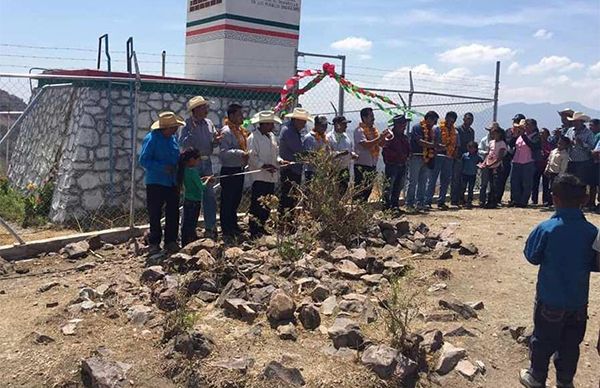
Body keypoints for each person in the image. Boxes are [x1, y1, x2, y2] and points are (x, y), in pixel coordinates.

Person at [519, 174, 599, 388]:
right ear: (584, 199)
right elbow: (597, 264)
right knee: (571, 345)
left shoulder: (547, 228)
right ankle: (565, 381)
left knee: (542, 341)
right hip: (578, 303)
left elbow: (531, 256)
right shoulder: (592, 232)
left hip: (550, 300)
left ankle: (536, 377)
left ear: (554, 198)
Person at [139, 111, 185, 254]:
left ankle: (171, 240)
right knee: (155, 212)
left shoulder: (172, 139)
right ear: (167, 128)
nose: (176, 129)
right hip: (156, 181)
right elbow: (144, 160)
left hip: (171, 182)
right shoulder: (152, 139)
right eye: (174, 127)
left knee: (172, 211)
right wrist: (162, 167)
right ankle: (154, 241)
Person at [179, 96, 222, 239]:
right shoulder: (187, 125)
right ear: (195, 110)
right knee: (192, 196)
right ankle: (187, 229)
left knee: (209, 195)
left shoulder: (209, 123)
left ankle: (210, 227)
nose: (206, 109)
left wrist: (216, 141)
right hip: (193, 165)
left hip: (206, 161)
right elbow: (183, 144)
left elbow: (213, 143)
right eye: (203, 107)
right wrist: (191, 132)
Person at [247, 111, 285, 238]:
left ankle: (262, 226)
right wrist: (264, 165)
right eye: (270, 124)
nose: (272, 126)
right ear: (263, 124)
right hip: (259, 176)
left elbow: (276, 153)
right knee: (257, 202)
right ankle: (254, 229)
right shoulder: (253, 138)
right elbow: (252, 156)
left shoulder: (272, 137)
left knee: (267, 203)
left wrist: (279, 161)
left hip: (271, 175)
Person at [219, 103, 249, 238]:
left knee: (236, 199)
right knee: (228, 200)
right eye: (239, 114)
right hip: (230, 170)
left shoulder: (240, 130)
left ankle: (234, 226)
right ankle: (227, 228)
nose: (242, 117)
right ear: (231, 116)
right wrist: (241, 153)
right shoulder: (226, 132)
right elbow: (224, 153)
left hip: (239, 168)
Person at [279, 107, 313, 214]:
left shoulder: (294, 131)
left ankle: (288, 220)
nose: (304, 124)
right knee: (288, 197)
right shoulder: (289, 131)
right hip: (290, 169)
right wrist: (312, 155)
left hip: (294, 169)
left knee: (292, 197)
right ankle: (285, 220)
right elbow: (299, 150)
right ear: (297, 120)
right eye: (303, 121)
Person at [178, 148, 213, 247]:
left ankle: (184, 240)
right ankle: (191, 240)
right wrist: (208, 179)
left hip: (187, 199)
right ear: (192, 160)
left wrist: (202, 179)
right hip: (195, 201)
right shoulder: (193, 172)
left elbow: (194, 181)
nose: (199, 161)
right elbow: (201, 187)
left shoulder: (184, 170)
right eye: (197, 159)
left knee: (186, 221)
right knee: (192, 222)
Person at [406, 111, 438, 212]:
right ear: (428, 118)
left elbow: (432, 144)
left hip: (427, 158)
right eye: (433, 120)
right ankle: (410, 203)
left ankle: (420, 202)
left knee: (423, 182)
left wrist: (437, 147)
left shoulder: (431, 131)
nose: (434, 123)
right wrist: (433, 145)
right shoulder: (417, 127)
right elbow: (420, 142)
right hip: (416, 157)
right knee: (413, 181)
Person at [426, 111, 459, 210]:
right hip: (437, 157)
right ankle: (427, 200)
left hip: (449, 158)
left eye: (452, 121)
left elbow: (457, 145)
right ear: (445, 118)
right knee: (432, 179)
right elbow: (432, 142)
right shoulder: (437, 129)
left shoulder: (456, 132)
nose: (450, 122)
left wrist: (454, 155)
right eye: (448, 119)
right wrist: (438, 148)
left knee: (445, 181)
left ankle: (441, 201)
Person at [565, 112, 595, 210]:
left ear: (581, 122)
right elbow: (565, 141)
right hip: (571, 160)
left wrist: (582, 144)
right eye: (573, 121)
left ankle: (581, 203)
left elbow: (592, 147)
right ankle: (571, 202)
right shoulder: (570, 131)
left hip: (583, 161)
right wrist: (567, 144)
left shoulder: (588, 133)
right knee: (570, 182)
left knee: (582, 183)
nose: (574, 123)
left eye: (576, 121)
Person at [509, 118, 541, 208]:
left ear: (534, 126)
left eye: (528, 125)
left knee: (526, 183)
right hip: (516, 161)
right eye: (525, 125)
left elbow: (533, 145)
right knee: (515, 181)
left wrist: (523, 136)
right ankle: (516, 200)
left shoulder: (536, 136)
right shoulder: (521, 135)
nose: (526, 127)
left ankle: (523, 201)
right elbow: (511, 144)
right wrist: (515, 135)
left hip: (528, 161)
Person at [382, 114, 410, 211]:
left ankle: (395, 205)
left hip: (402, 164)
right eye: (403, 124)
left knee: (398, 186)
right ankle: (386, 206)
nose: (405, 126)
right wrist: (396, 156)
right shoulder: (390, 136)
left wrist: (406, 156)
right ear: (397, 125)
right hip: (392, 165)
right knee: (389, 186)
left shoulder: (404, 137)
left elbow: (408, 149)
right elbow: (385, 150)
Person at [353, 107, 382, 202]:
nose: (373, 119)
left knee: (368, 188)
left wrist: (385, 138)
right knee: (360, 189)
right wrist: (379, 138)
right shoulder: (359, 130)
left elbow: (379, 144)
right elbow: (366, 145)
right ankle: (356, 211)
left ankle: (363, 210)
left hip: (372, 164)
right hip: (362, 165)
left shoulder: (374, 130)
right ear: (364, 118)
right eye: (371, 116)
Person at [478, 126, 507, 209]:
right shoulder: (491, 142)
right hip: (489, 165)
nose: (492, 134)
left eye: (494, 133)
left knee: (495, 184)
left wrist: (491, 164)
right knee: (490, 184)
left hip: (496, 166)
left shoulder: (502, 143)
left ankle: (493, 201)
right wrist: (484, 163)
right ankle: (489, 201)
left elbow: (499, 157)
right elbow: (489, 154)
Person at [499, 113, 526, 203]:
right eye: (515, 121)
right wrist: (514, 136)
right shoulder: (508, 131)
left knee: (517, 180)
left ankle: (515, 198)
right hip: (507, 158)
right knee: (502, 179)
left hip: (519, 159)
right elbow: (507, 142)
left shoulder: (524, 134)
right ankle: (498, 198)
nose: (515, 123)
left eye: (517, 121)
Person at [327, 116, 356, 194]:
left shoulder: (346, 137)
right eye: (344, 124)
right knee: (332, 192)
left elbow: (350, 150)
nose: (346, 126)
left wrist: (352, 154)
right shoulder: (329, 137)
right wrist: (340, 154)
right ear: (337, 125)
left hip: (344, 169)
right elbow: (327, 154)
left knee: (342, 191)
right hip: (333, 170)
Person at [452, 112, 475, 205]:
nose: (469, 121)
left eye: (471, 119)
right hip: (459, 157)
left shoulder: (471, 131)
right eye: (468, 119)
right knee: (456, 179)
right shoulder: (457, 129)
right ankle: (454, 199)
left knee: (464, 180)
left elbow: (472, 144)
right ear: (464, 119)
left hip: (468, 158)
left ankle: (462, 198)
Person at [544, 136, 571, 207]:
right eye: (559, 143)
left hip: (558, 174)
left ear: (566, 145)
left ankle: (556, 203)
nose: (559, 145)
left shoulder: (565, 155)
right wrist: (547, 169)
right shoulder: (553, 151)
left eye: (562, 144)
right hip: (551, 172)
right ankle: (549, 201)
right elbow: (549, 161)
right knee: (550, 188)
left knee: (557, 189)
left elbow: (563, 167)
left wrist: (561, 175)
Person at [531, 128, 554, 206]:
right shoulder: (536, 143)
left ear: (547, 135)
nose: (541, 135)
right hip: (536, 165)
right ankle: (534, 200)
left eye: (543, 133)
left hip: (545, 165)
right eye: (540, 133)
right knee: (535, 183)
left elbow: (551, 153)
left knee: (546, 183)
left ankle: (545, 200)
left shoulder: (550, 143)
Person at [303, 115, 329, 181]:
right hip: (311, 171)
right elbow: (309, 155)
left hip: (321, 170)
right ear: (316, 125)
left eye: (326, 125)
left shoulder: (324, 138)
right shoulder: (309, 138)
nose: (325, 128)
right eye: (322, 125)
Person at [460, 141, 482, 208]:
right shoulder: (464, 155)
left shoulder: (477, 157)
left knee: (471, 188)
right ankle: (462, 199)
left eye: (472, 148)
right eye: (469, 148)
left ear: (475, 149)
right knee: (463, 187)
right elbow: (461, 163)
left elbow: (481, 162)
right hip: (464, 174)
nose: (470, 149)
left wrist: (479, 166)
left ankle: (469, 200)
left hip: (472, 174)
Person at [478, 122, 495, 207]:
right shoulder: (484, 140)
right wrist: (486, 152)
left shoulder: (498, 141)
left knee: (492, 183)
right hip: (485, 164)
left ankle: (491, 200)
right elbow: (479, 150)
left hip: (495, 164)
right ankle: (482, 200)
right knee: (484, 183)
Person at [587, 118, 600, 210]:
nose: (590, 127)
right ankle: (591, 202)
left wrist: (591, 151)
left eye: (592, 125)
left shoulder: (598, 136)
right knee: (592, 183)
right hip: (592, 161)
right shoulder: (592, 135)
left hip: (597, 161)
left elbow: (596, 150)